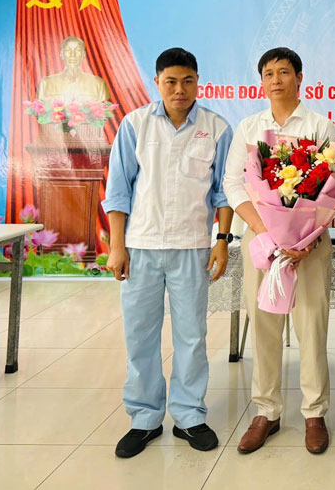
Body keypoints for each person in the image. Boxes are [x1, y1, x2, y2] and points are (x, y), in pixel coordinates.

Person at [103, 47, 233, 458]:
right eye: (171, 81)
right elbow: (118, 190)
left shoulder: (216, 128)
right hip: (140, 247)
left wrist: (222, 240)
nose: (180, 89)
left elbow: (224, 192)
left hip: (192, 247)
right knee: (140, 336)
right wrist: (117, 246)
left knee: (192, 337)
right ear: (156, 83)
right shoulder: (135, 125)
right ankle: (144, 419)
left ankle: (190, 416)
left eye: (188, 81)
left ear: (198, 82)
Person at [223, 47, 335, 455]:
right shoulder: (248, 128)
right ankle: (267, 412)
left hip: (309, 247)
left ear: (299, 77)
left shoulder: (320, 125)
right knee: (266, 326)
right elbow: (233, 185)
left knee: (311, 327)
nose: (276, 79)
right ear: (262, 81)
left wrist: (305, 237)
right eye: (268, 73)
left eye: (284, 72)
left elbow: (331, 188)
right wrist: (264, 231)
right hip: (261, 246)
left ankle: (314, 412)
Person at [37, 35, 111, 102]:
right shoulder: (45, 84)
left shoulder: (99, 84)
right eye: (68, 50)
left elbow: (105, 112)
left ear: (84, 55)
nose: (73, 54)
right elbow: (39, 112)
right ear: (61, 54)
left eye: (77, 50)